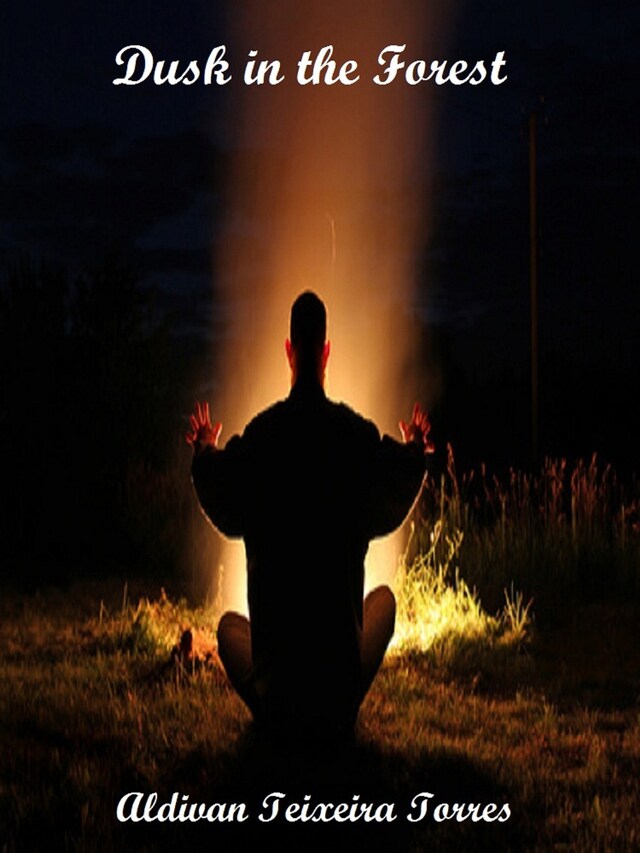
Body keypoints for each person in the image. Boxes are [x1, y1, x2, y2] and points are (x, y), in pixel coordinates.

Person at [187, 291, 432, 739]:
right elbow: (396, 478)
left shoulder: (262, 437)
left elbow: (219, 487)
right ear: (326, 352)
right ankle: (332, 706)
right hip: (337, 693)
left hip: (277, 694)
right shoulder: (353, 437)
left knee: (228, 629)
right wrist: (416, 447)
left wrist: (204, 446)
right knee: (384, 603)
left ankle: (275, 708)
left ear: (288, 350)